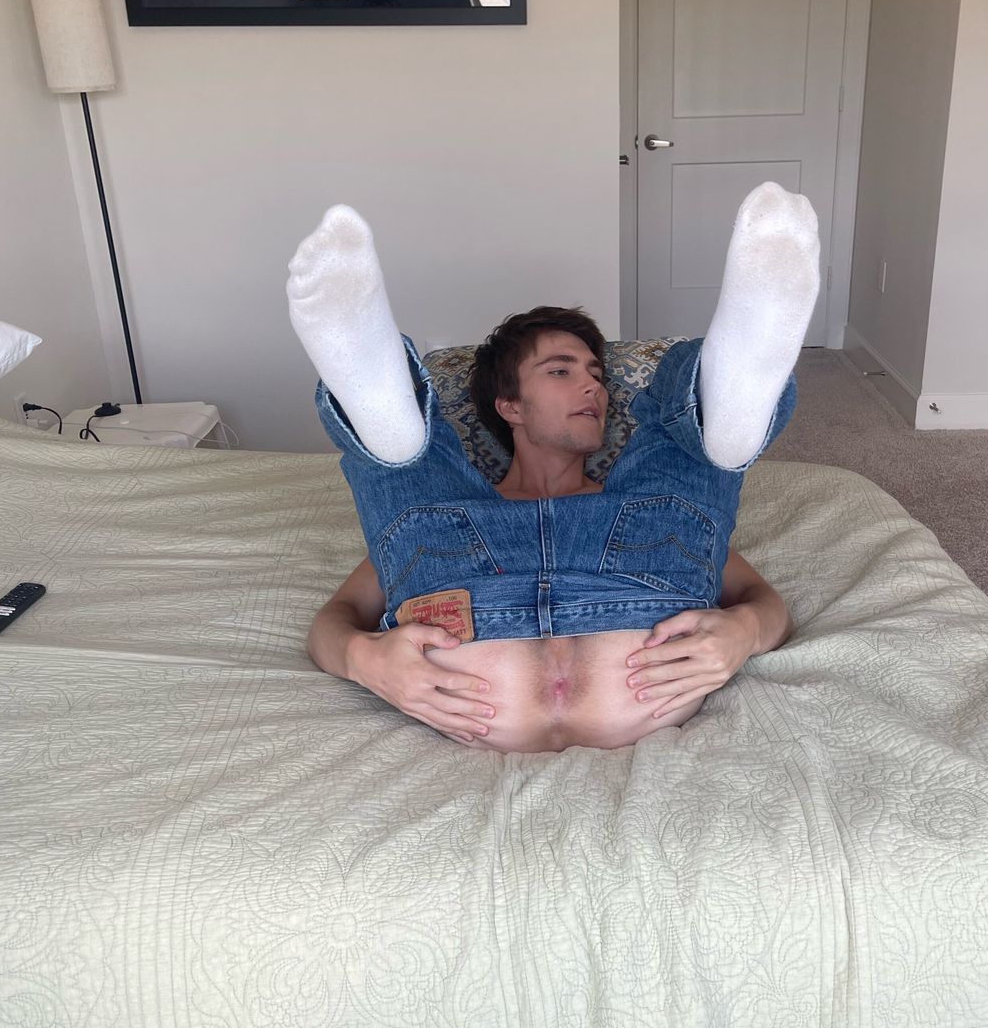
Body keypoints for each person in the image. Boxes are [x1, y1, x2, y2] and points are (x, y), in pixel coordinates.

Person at [290, 182, 822, 754]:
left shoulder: (646, 507)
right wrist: (364, 658)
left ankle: (728, 399)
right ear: (510, 407)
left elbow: (762, 600)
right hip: (468, 576)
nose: (594, 386)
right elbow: (336, 619)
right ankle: (381, 406)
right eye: (561, 371)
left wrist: (745, 632)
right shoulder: (444, 516)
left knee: (679, 457)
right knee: (414, 476)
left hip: (636, 573)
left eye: (597, 374)